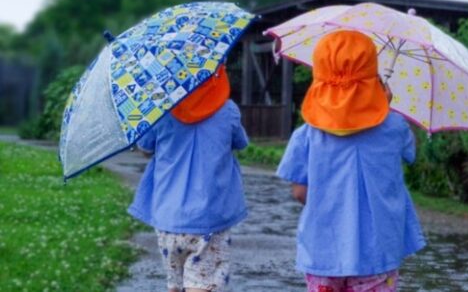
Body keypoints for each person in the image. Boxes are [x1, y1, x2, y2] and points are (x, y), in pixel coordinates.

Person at [277, 30, 426, 292]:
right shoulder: (394, 127)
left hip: (322, 250)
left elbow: (300, 191)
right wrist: (384, 109)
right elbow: (410, 152)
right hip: (377, 253)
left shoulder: (307, 134)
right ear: (373, 78)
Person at [128, 64, 249, 292]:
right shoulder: (228, 110)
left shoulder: (161, 111)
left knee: (175, 285)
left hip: (168, 220)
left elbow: (145, 147)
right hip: (210, 219)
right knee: (203, 285)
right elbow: (240, 142)